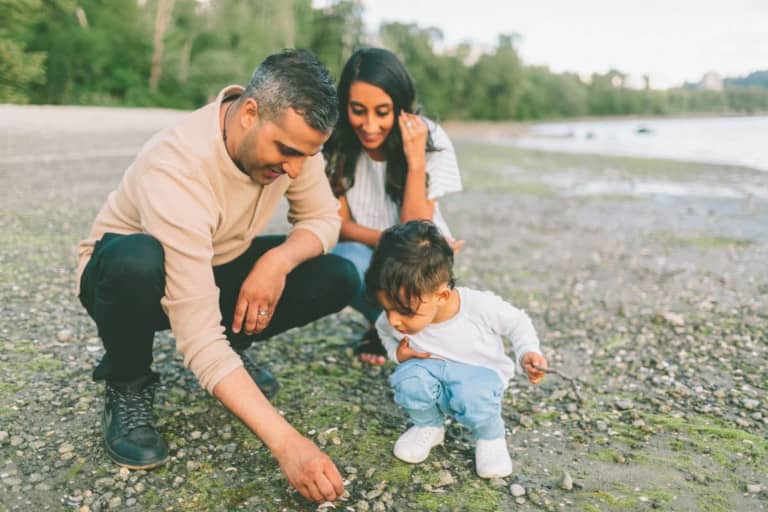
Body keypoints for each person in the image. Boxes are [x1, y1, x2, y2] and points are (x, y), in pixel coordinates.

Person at [76, 49, 358, 503]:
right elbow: (198, 339)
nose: (294, 168)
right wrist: (287, 443)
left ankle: (237, 350)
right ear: (249, 113)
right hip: (127, 277)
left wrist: (277, 262)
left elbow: (325, 220)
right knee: (138, 260)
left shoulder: (294, 147)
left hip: (212, 261)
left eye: (308, 154)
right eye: (286, 151)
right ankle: (126, 381)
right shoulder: (176, 164)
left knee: (338, 274)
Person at [365, 220, 548, 478]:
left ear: (441, 296)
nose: (394, 320)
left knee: (474, 397)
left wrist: (527, 351)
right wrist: (398, 354)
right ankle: (428, 425)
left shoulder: (478, 307)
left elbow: (518, 322)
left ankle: (490, 437)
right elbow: (384, 331)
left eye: (404, 311)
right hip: (429, 370)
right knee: (408, 380)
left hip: (477, 375)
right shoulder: (395, 320)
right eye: (387, 308)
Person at [324, 47, 463, 366]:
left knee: (417, 275)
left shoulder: (432, 140)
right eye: (358, 110)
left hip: (422, 264)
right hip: (364, 255)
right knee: (342, 259)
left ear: (400, 108)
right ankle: (384, 325)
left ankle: (406, 330)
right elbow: (338, 225)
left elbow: (416, 238)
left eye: (382, 112)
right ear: (344, 106)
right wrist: (388, 240)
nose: (369, 125)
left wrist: (415, 163)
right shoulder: (335, 145)